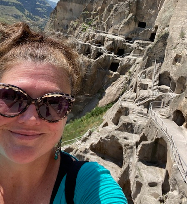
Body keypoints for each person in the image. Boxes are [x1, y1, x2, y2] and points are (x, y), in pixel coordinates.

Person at [0, 22, 127, 204]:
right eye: (11, 96)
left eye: (53, 102)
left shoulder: (89, 186)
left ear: (67, 111)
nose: (30, 119)